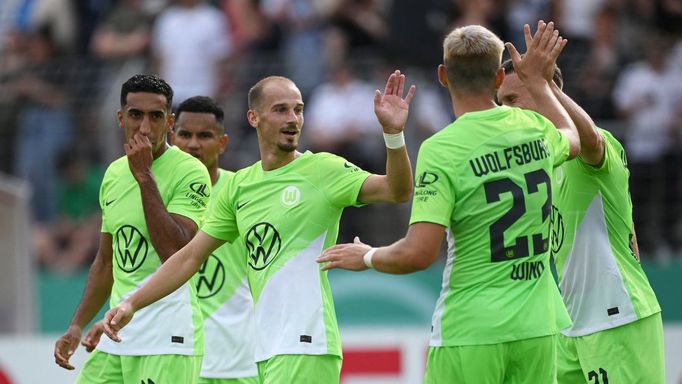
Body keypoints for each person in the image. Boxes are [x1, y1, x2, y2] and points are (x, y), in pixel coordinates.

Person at [102, 71, 416, 383]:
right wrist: (132, 303)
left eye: (298, 109)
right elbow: (188, 257)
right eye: (280, 110)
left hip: (307, 342)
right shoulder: (240, 187)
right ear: (254, 118)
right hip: (266, 350)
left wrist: (393, 135)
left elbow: (397, 190)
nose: (292, 118)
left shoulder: (322, 169)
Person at [317, 22, 580, 383]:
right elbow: (574, 137)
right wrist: (539, 81)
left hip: (470, 330)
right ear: (499, 79)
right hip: (538, 327)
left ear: (443, 75)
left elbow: (419, 253)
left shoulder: (442, 149)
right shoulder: (534, 127)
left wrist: (366, 256)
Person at [497, 25, 665, 384]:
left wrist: (544, 86)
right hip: (571, 327)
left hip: (617, 320)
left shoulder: (593, 149)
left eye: (512, 100)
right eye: (500, 104)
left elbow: (589, 141)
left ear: (546, 94)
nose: (505, 113)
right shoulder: (542, 163)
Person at [53, 74, 211, 384]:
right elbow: (107, 261)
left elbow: (175, 253)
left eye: (155, 116)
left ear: (170, 122)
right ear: (120, 118)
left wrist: (144, 178)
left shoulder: (190, 171)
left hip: (167, 339)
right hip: (118, 335)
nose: (144, 127)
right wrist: (77, 324)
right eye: (136, 115)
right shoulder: (113, 173)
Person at [171, 96, 259, 383]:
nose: (193, 144)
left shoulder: (244, 192)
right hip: (176, 355)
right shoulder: (155, 195)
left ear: (222, 142)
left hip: (238, 359)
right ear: (173, 138)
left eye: (204, 135)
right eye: (185, 134)